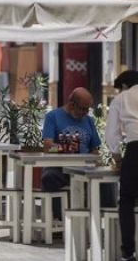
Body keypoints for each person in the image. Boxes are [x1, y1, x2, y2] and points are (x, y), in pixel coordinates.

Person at [41, 87, 101, 218]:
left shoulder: (89, 120)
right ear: (72, 104)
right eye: (83, 109)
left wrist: (97, 160)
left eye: (88, 109)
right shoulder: (53, 117)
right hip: (59, 168)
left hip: (84, 168)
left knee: (105, 182)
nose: (85, 112)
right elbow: (47, 147)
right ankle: (60, 219)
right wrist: (63, 148)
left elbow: (94, 149)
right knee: (49, 178)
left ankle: (98, 220)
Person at [105, 71, 138, 261]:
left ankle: (128, 252)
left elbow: (112, 133)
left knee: (126, 200)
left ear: (124, 85)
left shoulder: (121, 99)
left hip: (135, 150)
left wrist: (117, 157)